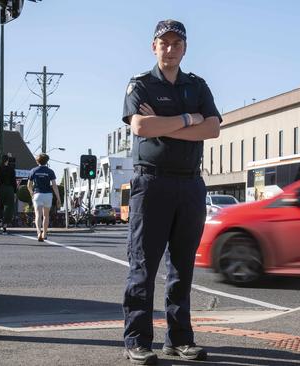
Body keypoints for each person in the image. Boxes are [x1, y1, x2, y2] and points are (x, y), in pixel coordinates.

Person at [121, 19, 221, 365]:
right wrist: (188, 119)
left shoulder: (198, 86)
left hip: (190, 184)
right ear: (154, 47)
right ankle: (137, 340)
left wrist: (169, 123)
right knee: (143, 266)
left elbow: (212, 129)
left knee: (182, 267)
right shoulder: (141, 84)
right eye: (164, 43)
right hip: (151, 183)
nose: (170, 48)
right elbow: (140, 126)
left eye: (176, 43)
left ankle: (179, 340)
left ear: (185, 48)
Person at [27, 153, 61, 242]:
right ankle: (44, 233)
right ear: (47, 161)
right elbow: (54, 186)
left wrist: (32, 194)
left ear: (37, 161)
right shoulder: (50, 171)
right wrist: (58, 198)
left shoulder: (33, 170)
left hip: (37, 194)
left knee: (38, 215)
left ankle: (38, 233)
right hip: (48, 195)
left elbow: (28, 185)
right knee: (46, 216)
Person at [0, 154, 17, 234]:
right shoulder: (11, 169)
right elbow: (14, 182)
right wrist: (15, 192)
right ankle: (5, 225)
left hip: (0, 188)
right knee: (9, 207)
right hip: (10, 189)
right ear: (7, 161)